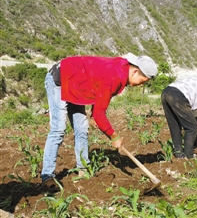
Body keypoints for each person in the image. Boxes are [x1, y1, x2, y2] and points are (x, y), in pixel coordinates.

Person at [41, 53, 157, 190]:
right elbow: (99, 114)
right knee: (58, 129)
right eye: (142, 81)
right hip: (59, 80)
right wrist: (114, 136)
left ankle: (83, 168)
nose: (139, 85)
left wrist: (93, 114)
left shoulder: (122, 72)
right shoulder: (114, 76)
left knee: (81, 128)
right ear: (135, 71)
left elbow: (99, 90)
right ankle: (47, 175)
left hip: (76, 86)